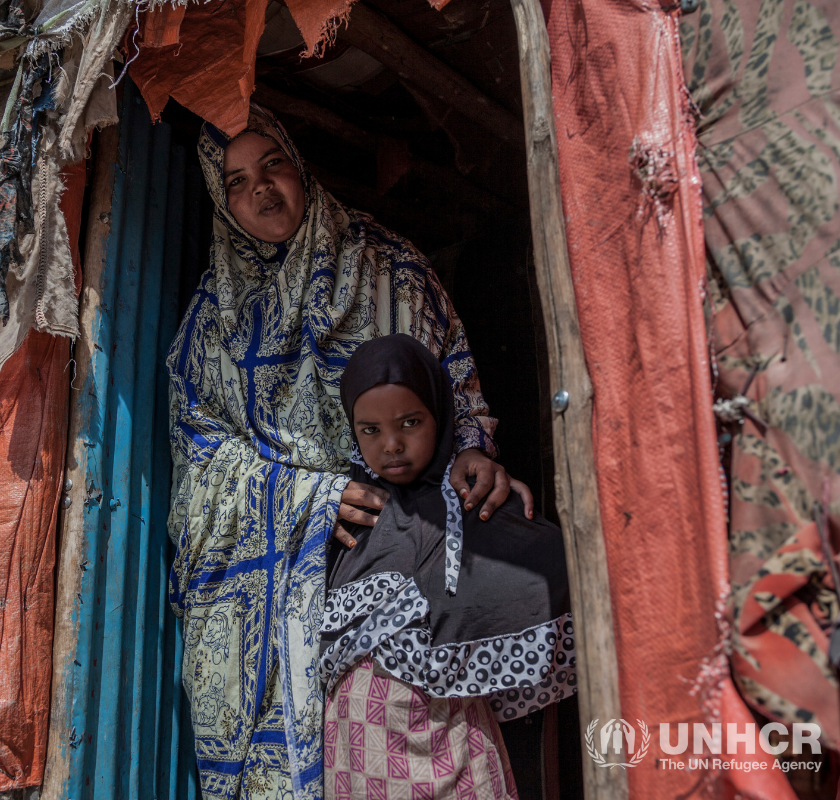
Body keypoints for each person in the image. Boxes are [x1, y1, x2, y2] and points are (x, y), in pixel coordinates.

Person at [167, 105, 532, 800]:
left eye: (272, 164)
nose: (261, 189)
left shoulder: (387, 269)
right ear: (222, 200)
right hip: (296, 577)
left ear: (298, 166)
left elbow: (455, 386)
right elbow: (198, 452)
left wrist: (473, 449)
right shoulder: (212, 320)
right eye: (237, 181)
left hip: (410, 558)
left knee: (435, 753)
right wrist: (309, 497)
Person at [321, 334, 574, 799]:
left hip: (453, 740)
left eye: (410, 422)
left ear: (441, 416)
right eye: (370, 430)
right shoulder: (347, 518)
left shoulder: (470, 504)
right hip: (361, 744)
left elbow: (556, 565)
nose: (392, 445)